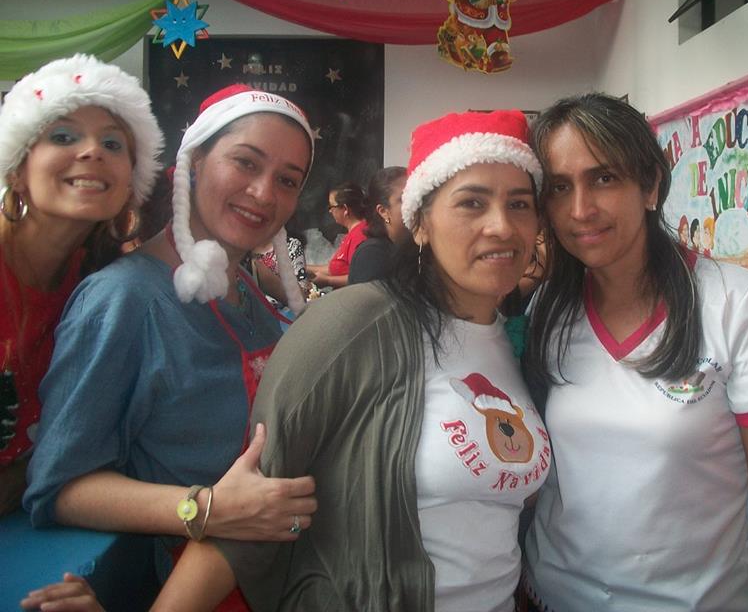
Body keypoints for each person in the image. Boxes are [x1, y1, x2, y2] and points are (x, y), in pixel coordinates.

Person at [150, 109, 550, 612]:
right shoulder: (353, 325)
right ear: (420, 224)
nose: (502, 226)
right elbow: (251, 507)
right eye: (472, 202)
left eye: (519, 204)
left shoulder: (519, 341)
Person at [23, 85, 319, 587]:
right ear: (195, 161)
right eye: (245, 163)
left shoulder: (245, 289)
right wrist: (207, 508)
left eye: (287, 180)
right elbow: (59, 488)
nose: (264, 193)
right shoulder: (122, 300)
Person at [522, 93, 748, 612]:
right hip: (554, 595)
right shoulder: (549, 308)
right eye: (560, 187)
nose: (580, 209)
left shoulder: (735, 302)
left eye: (604, 178)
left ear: (650, 185)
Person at [0, 54, 164, 516]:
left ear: (129, 183)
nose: (93, 152)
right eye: (63, 136)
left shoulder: (107, 290)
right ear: (17, 170)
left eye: (113, 143)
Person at [347, 166, 408, 284]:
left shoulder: (413, 248)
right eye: (403, 199)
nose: (413, 203)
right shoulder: (372, 255)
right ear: (383, 211)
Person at [306, 181, 367, 288]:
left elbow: (360, 278)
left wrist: (328, 281)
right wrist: (303, 268)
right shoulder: (352, 233)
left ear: (345, 209)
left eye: (331, 206)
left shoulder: (360, 235)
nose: (330, 211)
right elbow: (336, 269)